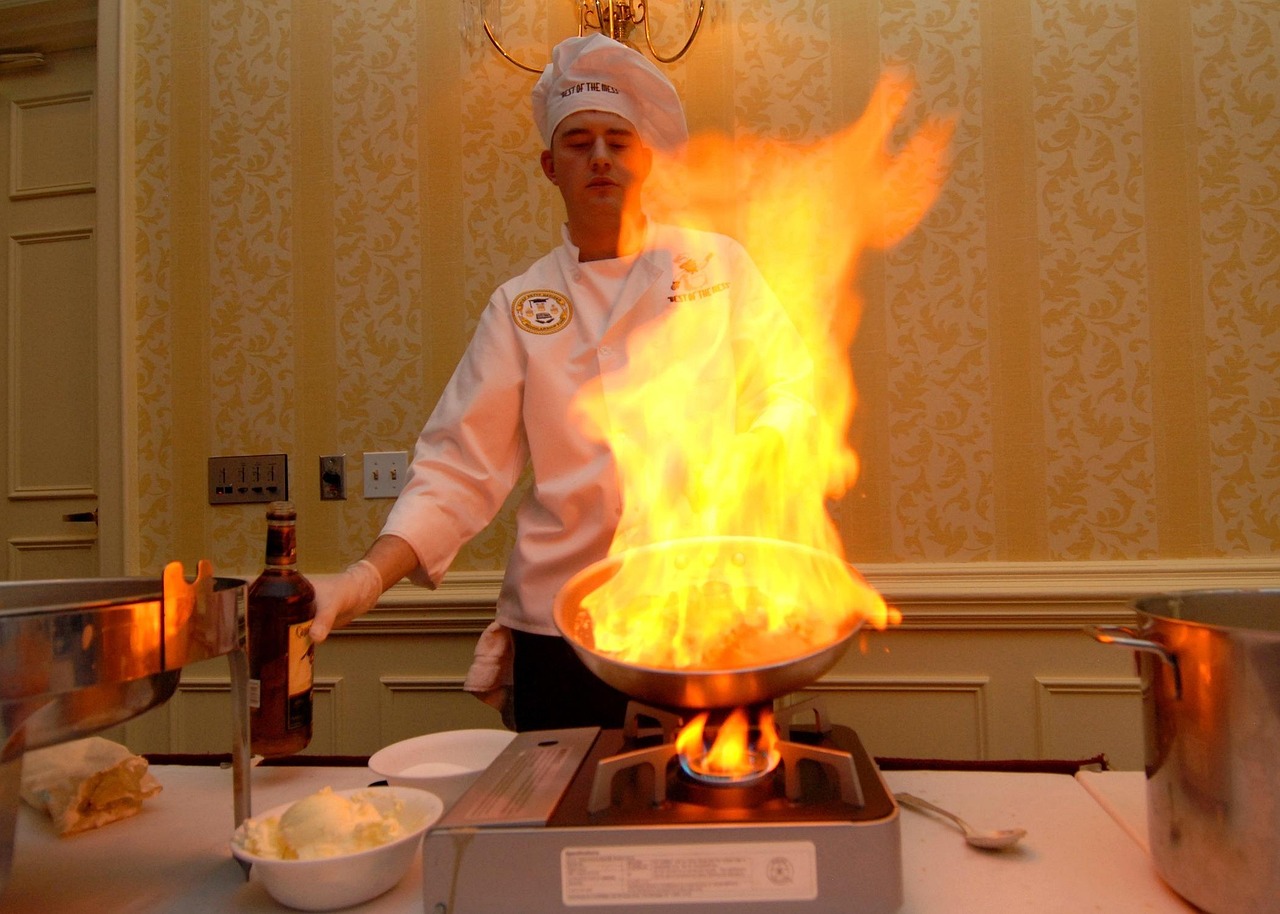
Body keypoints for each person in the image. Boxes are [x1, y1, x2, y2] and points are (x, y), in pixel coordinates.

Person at [310, 33, 813, 731]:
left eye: (618, 139)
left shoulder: (716, 267)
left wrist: (762, 449)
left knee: (712, 823)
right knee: (563, 821)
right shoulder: (521, 303)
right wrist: (360, 583)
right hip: (563, 627)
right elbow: (459, 466)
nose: (601, 156)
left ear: (645, 159)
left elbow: (790, 389)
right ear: (550, 166)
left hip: (706, 610)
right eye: (579, 143)